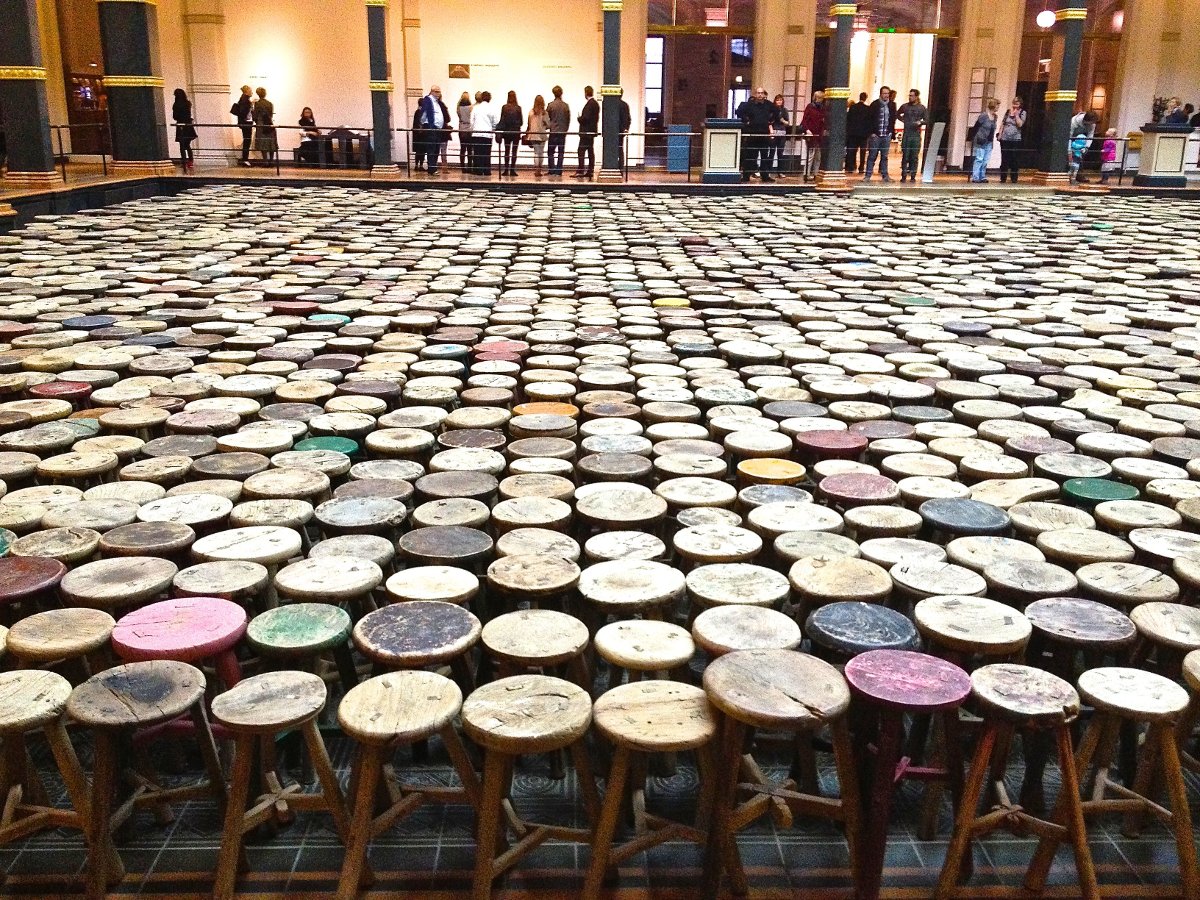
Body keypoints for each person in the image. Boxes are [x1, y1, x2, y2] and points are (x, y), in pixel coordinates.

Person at [735, 88, 779, 182]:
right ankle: (746, 176)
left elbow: (776, 112)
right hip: (752, 132)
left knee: (764, 156)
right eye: (758, 93)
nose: (760, 95)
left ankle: (765, 176)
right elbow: (738, 112)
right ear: (755, 94)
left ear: (764, 94)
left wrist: (771, 121)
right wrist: (746, 120)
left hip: (764, 133)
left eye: (761, 93)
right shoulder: (749, 104)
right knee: (750, 155)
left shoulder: (768, 104)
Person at [863, 86, 897, 182]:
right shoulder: (874, 104)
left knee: (884, 157)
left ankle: (885, 176)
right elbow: (869, 119)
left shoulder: (892, 105)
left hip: (886, 134)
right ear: (881, 94)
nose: (886, 95)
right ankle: (868, 175)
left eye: (887, 93)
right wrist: (872, 133)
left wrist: (891, 133)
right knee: (872, 156)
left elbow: (892, 119)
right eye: (884, 93)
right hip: (876, 135)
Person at [418, 85, 450, 175]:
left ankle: (433, 167)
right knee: (431, 148)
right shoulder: (428, 100)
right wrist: (423, 123)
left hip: (438, 129)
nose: (438, 94)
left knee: (436, 149)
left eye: (439, 92)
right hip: (431, 128)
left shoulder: (437, 102)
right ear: (431, 91)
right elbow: (423, 114)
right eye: (436, 92)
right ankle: (432, 168)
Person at [896, 88, 926, 183]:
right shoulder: (905, 106)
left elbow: (927, 120)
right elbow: (897, 114)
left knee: (914, 156)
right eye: (909, 95)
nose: (910, 97)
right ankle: (904, 175)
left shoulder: (921, 108)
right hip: (907, 134)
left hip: (916, 134)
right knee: (905, 155)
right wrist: (903, 120)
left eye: (912, 95)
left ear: (916, 97)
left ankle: (913, 175)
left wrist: (920, 122)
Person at [970, 97, 999, 183]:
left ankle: (982, 176)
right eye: (997, 106)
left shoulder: (995, 117)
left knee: (986, 159)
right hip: (981, 139)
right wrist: (973, 137)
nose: (998, 108)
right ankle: (975, 176)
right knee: (979, 158)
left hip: (989, 141)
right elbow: (976, 126)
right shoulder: (983, 116)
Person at [799, 90, 826, 182]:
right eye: (819, 98)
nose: (821, 100)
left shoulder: (822, 108)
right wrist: (807, 130)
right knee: (810, 155)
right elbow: (804, 121)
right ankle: (806, 173)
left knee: (818, 156)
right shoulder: (810, 107)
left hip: (819, 134)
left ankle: (816, 174)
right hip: (811, 134)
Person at [998, 97, 1026, 184]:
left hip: (1015, 139)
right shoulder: (1007, 112)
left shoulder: (1023, 112)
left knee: (1014, 159)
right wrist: (1000, 133)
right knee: (1004, 159)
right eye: (1014, 103)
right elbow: (1003, 123)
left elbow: (1020, 124)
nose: (1015, 106)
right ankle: (1003, 178)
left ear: (1020, 105)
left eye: (1017, 104)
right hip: (1005, 139)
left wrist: (1016, 115)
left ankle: (1014, 178)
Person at [469, 90, 497, 175]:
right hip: (487, 134)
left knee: (477, 153)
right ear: (489, 98)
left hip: (477, 133)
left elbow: (472, 121)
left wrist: (472, 129)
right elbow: (495, 122)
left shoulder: (476, 108)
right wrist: (492, 129)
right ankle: (486, 170)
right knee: (486, 153)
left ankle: (478, 170)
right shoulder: (491, 108)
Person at [574, 86, 600, 178]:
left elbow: (586, 118)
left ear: (586, 93)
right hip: (591, 132)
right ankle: (590, 170)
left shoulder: (590, 104)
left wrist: (579, 118)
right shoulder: (595, 104)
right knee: (590, 151)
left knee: (581, 151)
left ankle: (580, 170)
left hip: (586, 132)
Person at [497, 91, 523, 177]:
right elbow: (521, 122)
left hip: (507, 132)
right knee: (514, 151)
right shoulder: (518, 108)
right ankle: (512, 170)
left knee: (507, 151)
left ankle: (506, 170)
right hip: (516, 132)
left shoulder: (504, 107)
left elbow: (502, 120)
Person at [547, 85, 570, 176]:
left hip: (553, 131)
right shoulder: (565, 106)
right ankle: (559, 170)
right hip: (562, 132)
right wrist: (565, 129)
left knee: (551, 151)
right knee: (561, 151)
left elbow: (547, 117)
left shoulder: (550, 105)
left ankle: (551, 169)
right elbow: (568, 119)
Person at [172, 88, 197, 174]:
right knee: (188, 145)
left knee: (182, 146)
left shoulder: (176, 105)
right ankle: (190, 161)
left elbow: (175, 116)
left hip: (181, 126)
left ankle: (184, 161)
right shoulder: (188, 103)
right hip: (188, 125)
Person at [525, 94, 550, 177]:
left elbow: (528, 124)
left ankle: (536, 170)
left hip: (533, 135)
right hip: (542, 134)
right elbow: (549, 124)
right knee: (541, 153)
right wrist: (544, 126)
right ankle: (539, 170)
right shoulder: (544, 113)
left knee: (536, 153)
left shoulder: (531, 112)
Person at [845, 92, 871, 172]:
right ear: (865, 98)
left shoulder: (853, 107)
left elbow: (848, 119)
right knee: (863, 152)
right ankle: (861, 167)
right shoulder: (867, 108)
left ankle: (850, 167)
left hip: (853, 133)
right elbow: (869, 121)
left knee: (852, 151)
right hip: (863, 134)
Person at [252, 87, 276, 164]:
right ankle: (271, 160)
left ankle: (265, 161)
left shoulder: (257, 104)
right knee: (271, 142)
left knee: (263, 143)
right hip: (269, 123)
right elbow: (271, 115)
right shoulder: (270, 103)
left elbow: (255, 116)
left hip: (261, 124)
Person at [231, 85, 253, 167]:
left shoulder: (244, 99)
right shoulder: (245, 100)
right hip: (246, 123)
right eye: (250, 90)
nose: (252, 92)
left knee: (247, 140)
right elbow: (244, 112)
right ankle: (245, 159)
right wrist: (251, 105)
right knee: (247, 140)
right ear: (246, 91)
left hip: (245, 122)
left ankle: (245, 158)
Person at [770, 94, 790, 176]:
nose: (779, 101)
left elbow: (788, 123)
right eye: (777, 100)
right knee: (771, 152)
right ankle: (768, 171)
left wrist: (782, 120)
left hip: (782, 132)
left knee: (780, 153)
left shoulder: (784, 110)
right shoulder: (772, 110)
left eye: (780, 100)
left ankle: (780, 171)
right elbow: (769, 121)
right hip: (774, 132)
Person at [457, 92, 472, 172]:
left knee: (462, 148)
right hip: (469, 129)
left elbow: (459, 116)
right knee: (470, 149)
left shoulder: (458, 108)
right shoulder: (471, 107)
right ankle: (470, 166)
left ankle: (462, 167)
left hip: (462, 128)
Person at [617, 88, 632, 171]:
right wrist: (626, 128)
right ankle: (621, 169)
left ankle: (613, 167)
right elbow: (628, 118)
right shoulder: (625, 105)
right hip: (621, 131)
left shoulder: (613, 105)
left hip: (614, 131)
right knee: (620, 149)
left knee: (614, 150)